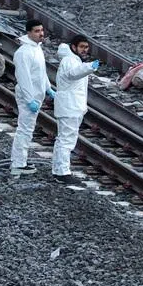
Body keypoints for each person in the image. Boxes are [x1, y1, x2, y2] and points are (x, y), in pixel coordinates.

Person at [52, 35, 102, 183]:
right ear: (73, 47)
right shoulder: (70, 60)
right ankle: (62, 173)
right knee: (66, 140)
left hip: (72, 106)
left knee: (65, 139)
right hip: (70, 106)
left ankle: (59, 170)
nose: (85, 50)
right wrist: (89, 67)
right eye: (82, 47)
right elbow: (73, 74)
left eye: (86, 47)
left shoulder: (75, 60)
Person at [11, 19, 49, 177]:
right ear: (28, 32)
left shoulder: (37, 49)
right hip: (29, 96)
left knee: (28, 129)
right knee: (24, 129)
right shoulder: (23, 53)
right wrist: (29, 99)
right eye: (37, 31)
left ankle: (21, 161)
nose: (41, 34)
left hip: (36, 94)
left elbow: (41, 72)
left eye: (41, 30)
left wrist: (48, 88)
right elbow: (23, 77)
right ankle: (18, 164)